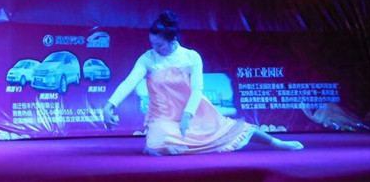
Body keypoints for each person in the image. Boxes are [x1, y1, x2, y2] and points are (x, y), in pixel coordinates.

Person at [102, 10, 304, 155]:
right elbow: (129, 82)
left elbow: (197, 89)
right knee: (157, 145)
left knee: (234, 130)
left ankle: (276, 142)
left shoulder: (190, 57)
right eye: (152, 44)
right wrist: (110, 105)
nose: (155, 48)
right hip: (163, 117)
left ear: (173, 40)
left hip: (193, 113)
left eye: (160, 45)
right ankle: (165, 142)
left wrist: (187, 115)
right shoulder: (148, 58)